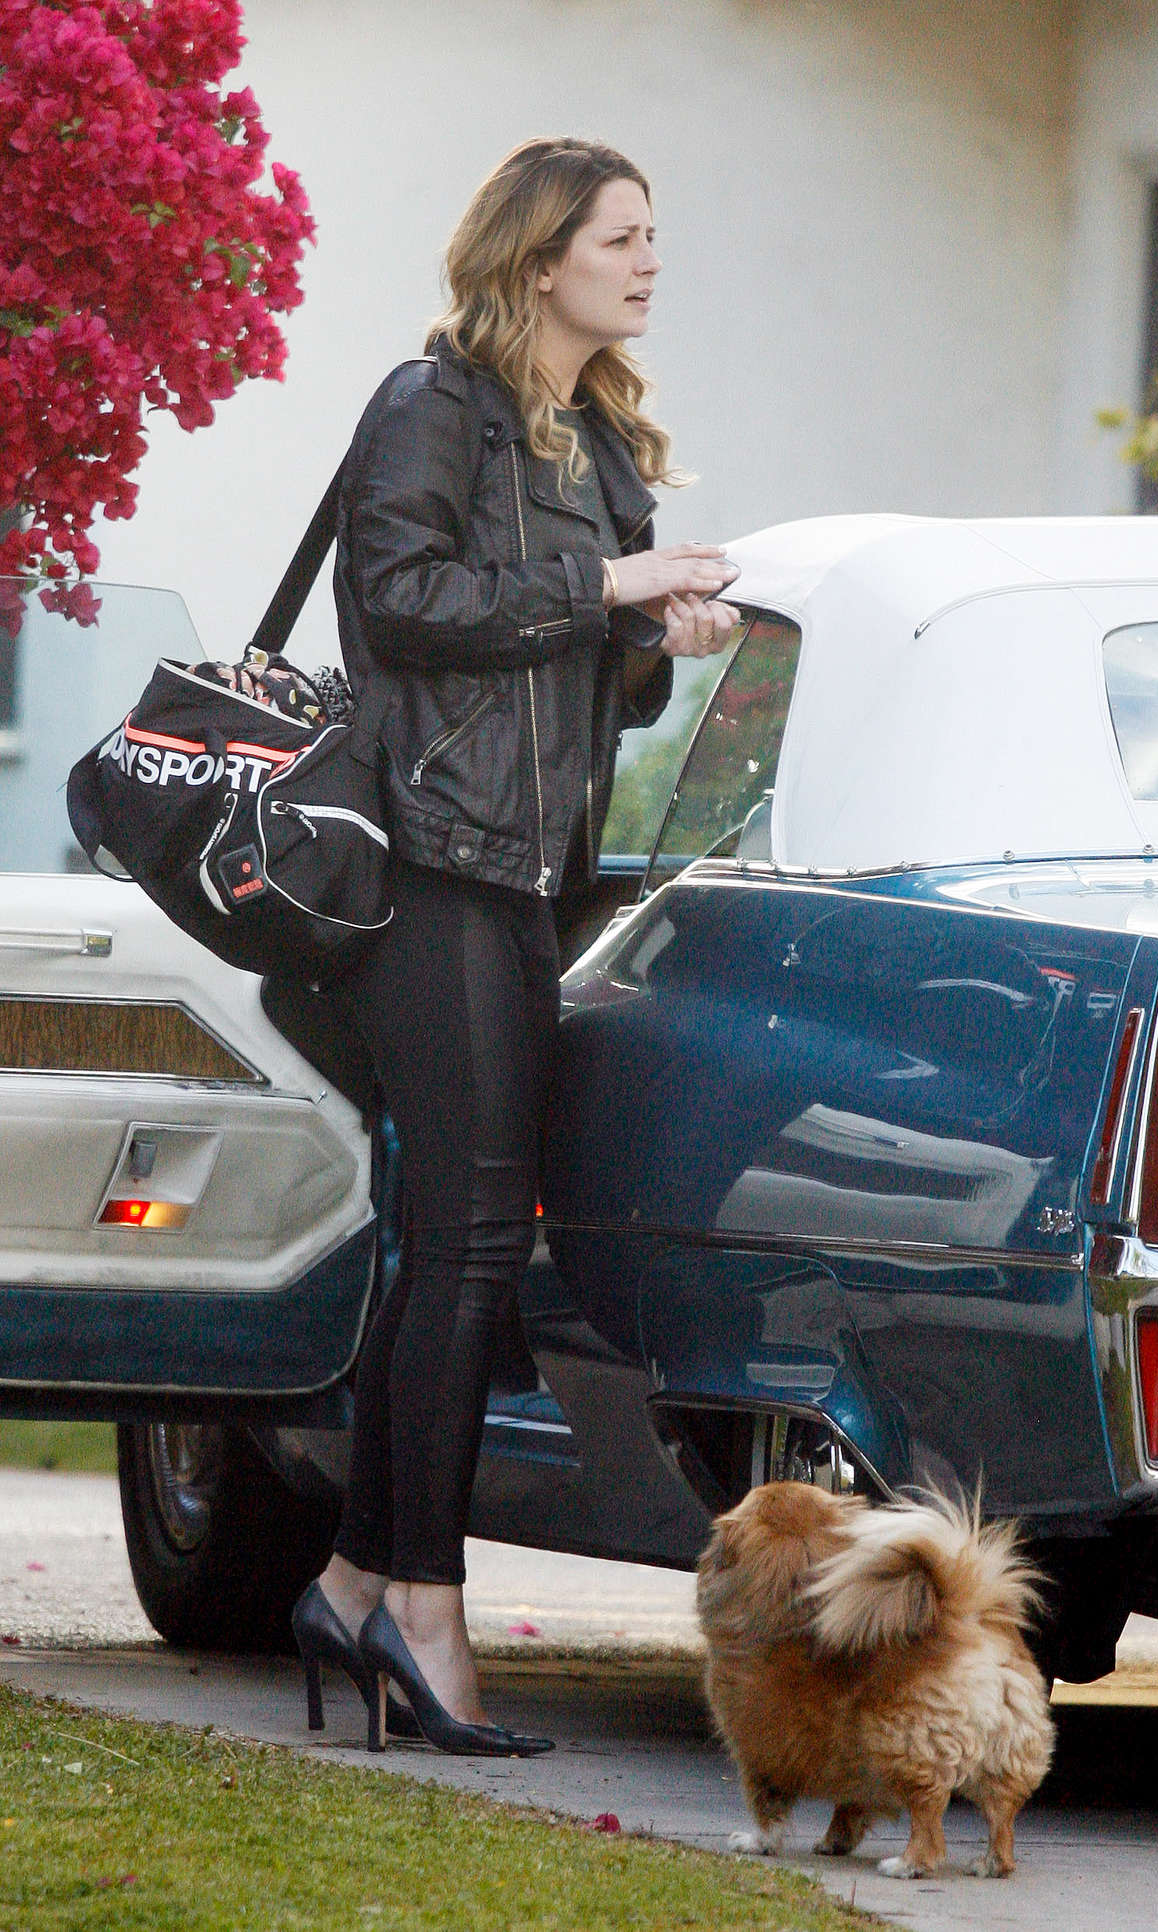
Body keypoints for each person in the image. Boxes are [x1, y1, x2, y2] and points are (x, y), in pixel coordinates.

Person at [290, 136, 741, 1757]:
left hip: (525, 875)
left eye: (650, 235)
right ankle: (416, 1602)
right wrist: (605, 581)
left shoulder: (602, 430)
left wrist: (650, 639)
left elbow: (572, 667)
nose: (647, 261)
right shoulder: (434, 407)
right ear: (541, 256)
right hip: (424, 866)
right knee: (470, 1250)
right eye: (623, 237)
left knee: (460, 1248)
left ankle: (356, 1578)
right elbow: (398, 600)